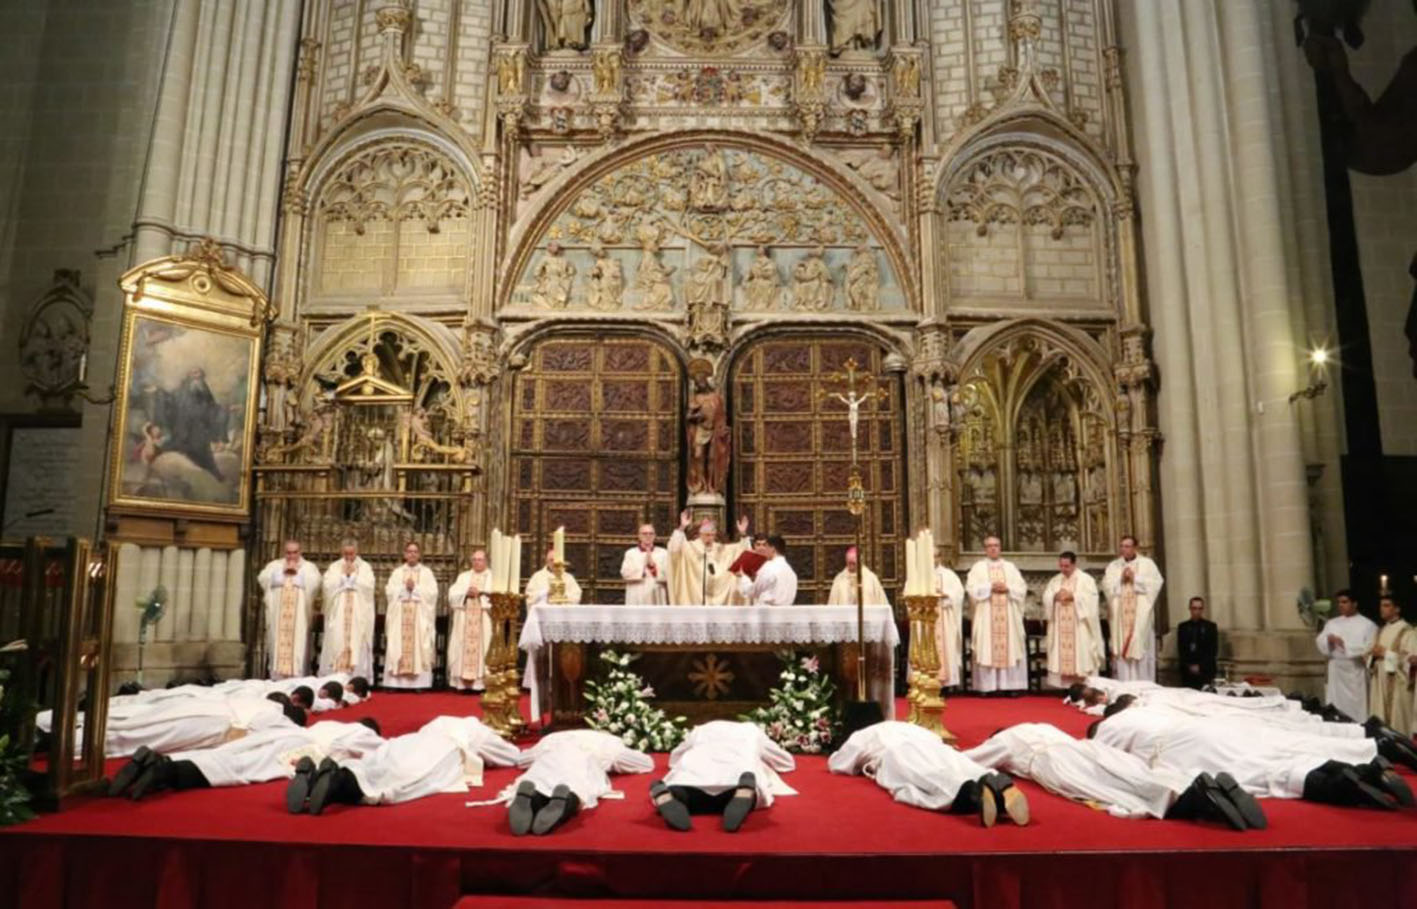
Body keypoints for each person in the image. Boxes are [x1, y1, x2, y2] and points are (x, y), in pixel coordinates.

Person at [1094, 698, 1410, 810]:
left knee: (1262, 772)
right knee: (1280, 746)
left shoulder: (1111, 727)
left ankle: (1345, 784)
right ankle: (1369, 757)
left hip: (1193, 749)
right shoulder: (1146, 710)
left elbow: (1111, 761)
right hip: (1212, 728)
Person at [964, 722, 1261, 830]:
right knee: (1131, 770)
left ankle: (1193, 799)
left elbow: (968, 761)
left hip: (1055, 761)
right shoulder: (1039, 724)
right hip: (1085, 746)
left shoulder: (1005, 740)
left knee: (1112, 789)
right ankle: (1193, 784)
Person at [108, 717, 384, 802]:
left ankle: (155, 763)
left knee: (226, 753)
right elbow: (381, 753)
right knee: (241, 768)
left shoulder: (329, 722)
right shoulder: (360, 732)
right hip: (305, 750)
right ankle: (165, 774)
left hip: (288, 734)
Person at [297, 715, 522, 815]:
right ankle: (338, 784)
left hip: (408, 740)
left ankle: (321, 779)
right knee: (405, 781)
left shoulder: (440, 721)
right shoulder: (475, 729)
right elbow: (511, 756)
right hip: (443, 749)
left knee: (377, 764)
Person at [829, 721, 1028, 828]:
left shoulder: (862, 735)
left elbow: (839, 764)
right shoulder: (908, 726)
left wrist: (836, 755)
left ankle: (972, 794)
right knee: (957, 765)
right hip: (933, 745)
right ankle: (993, 782)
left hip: (896, 752)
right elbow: (938, 741)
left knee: (923, 780)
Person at [649, 721, 795, 832]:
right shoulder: (752, 730)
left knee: (681, 790)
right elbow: (785, 762)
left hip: (693, 778)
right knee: (748, 779)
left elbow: (674, 758)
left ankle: (669, 795)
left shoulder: (700, 730)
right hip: (735, 778)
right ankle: (744, 792)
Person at [503, 729, 655, 835]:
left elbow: (522, 761)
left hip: (548, 760)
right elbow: (645, 764)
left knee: (538, 782)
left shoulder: (551, 738)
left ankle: (531, 798)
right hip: (582, 763)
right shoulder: (609, 742)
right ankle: (565, 802)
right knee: (577, 789)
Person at [965, 536, 1028, 693]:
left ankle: (1011, 686)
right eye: (989, 546)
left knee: (1010, 646)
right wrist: (989, 587)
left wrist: (1008, 588)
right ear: (985, 549)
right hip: (987, 615)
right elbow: (971, 589)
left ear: (1000, 548)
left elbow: (1021, 588)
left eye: (996, 545)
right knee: (987, 647)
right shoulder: (978, 568)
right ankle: (987, 687)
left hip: (1008, 614)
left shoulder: (1010, 568)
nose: (993, 548)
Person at [1102, 536, 1165, 682]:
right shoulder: (1114, 566)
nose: (1124, 549)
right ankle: (1124, 685)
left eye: (1128, 546)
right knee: (1122, 649)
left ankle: (1143, 686)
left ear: (1135, 547)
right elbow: (1106, 586)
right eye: (1122, 546)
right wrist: (1120, 579)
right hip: (1120, 619)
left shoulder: (1147, 564)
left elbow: (1156, 583)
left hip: (1140, 617)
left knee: (1140, 647)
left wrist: (1135, 578)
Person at [257, 540, 322, 681]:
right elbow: (263, 578)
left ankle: (296, 677)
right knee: (277, 643)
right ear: (284, 552)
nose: (291, 556)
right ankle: (277, 677)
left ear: (300, 552)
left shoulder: (309, 567)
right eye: (288, 552)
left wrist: (297, 576)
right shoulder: (275, 565)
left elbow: (315, 583)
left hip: (298, 617)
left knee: (298, 644)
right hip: (278, 617)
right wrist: (282, 574)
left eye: (294, 552)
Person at [1041, 551, 1104, 689]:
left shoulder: (1086, 579)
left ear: (1075, 564)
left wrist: (1074, 596)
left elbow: (1092, 599)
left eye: (1067, 566)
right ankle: (1066, 687)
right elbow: (1046, 597)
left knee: (1082, 654)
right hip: (1060, 626)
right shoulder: (1055, 580)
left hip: (1079, 626)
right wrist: (1054, 596)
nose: (1063, 569)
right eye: (1061, 566)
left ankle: (1083, 686)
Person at [383, 542, 439, 690]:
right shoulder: (397, 573)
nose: (412, 554)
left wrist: (415, 589)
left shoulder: (426, 573)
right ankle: (394, 683)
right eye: (409, 551)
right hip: (400, 616)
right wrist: (403, 588)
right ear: (405, 554)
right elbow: (389, 592)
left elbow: (433, 594)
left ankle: (419, 683)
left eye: (415, 552)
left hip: (419, 618)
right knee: (398, 645)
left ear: (419, 554)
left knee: (419, 645)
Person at [1316, 589, 1378, 722]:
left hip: (1355, 670)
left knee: (1357, 706)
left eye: (1345, 602)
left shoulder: (1368, 625)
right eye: (1339, 602)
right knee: (1336, 704)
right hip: (1336, 670)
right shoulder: (1332, 623)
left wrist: (1345, 645)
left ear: (1355, 604)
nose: (1341, 605)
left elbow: (1370, 647)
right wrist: (1328, 640)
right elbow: (1320, 641)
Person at [667, 510, 751, 606]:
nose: (710, 538)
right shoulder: (690, 547)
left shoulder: (722, 549)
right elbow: (674, 549)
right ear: (699, 534)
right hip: (694, 595)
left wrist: (743, 533)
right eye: (707, 535)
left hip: (719, 596)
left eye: (712, 535)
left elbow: (742, 551)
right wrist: (682, 527)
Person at [320, 540, 376, 679]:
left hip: (358, 613)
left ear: (357, 552)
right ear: (341, 552)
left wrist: (354, 578)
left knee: (358, 639)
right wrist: (343, 578)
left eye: (351, 553)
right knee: (337, 637)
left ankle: (357, 676)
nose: (349, 557)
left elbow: (369, 586)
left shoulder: (364, 567)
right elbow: (327, 586)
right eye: (346, 553)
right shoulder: (334, 567)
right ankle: (335, 675)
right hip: (339, 612)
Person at [447, 550, 494, 692]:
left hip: (483, 620)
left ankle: (480, 683)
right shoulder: (463, 577)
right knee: (461, 647)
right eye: (474, 559)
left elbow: (497, 599)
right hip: (464, 619)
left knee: (484, 648)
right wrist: (465, 594)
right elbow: (452, 596)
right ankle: (462, 683)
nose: (477, 562)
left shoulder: (492, 577)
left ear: (486, 561)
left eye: (480, 559)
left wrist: (480, 595)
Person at [1369, 596, 1413, 736]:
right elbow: (1372, 657)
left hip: (1398, 684)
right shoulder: (1381, 630)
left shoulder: (1407, 631)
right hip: (1380, 681)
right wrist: (1373, 656)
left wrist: (1385, 654)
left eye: (1387, 605)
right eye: (1381, 605)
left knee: (1397, 721)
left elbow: (1409, 661)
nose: (1382, 608)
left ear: (1397, 609)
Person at [735, 534, 797, 606]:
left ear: (773, 549)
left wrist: (743, 576)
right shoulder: (791, 572)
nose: (764, 549)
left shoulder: (769, 568)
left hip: (767, 614)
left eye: (766, 546)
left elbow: (752, 591)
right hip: (784, 614)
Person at [934, 557, 965, 688]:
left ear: (939, 558)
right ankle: (925, 682)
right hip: (925, 619)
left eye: (934, 556)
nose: (931, 559)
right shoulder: (918, 575)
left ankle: (946, 685)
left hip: (946, 617)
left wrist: (946, 595)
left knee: (947, 646)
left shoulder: (949, 575)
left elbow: (958, 594)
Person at [621, 524, 670, 605]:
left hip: (656, 592)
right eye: (644, 533)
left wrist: (653, 567)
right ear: (639, 536)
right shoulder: (631, 553)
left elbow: (669, 574)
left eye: (651, 533)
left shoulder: (663, 553)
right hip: (636, 593)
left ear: (655, 536)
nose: (648, 536)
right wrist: (643, 568)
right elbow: (625, 574)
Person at [1177, 597, 1219, 689]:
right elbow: (1181, 650)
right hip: (1187, 671)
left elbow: (1213, 650)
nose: (1197, 611)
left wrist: (1201, 666)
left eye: (1200, 608)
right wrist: (1190, 666)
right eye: (1194, 608)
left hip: (1206, 670)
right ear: (1190, 609)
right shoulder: (1183, 627)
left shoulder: (1210, 627)